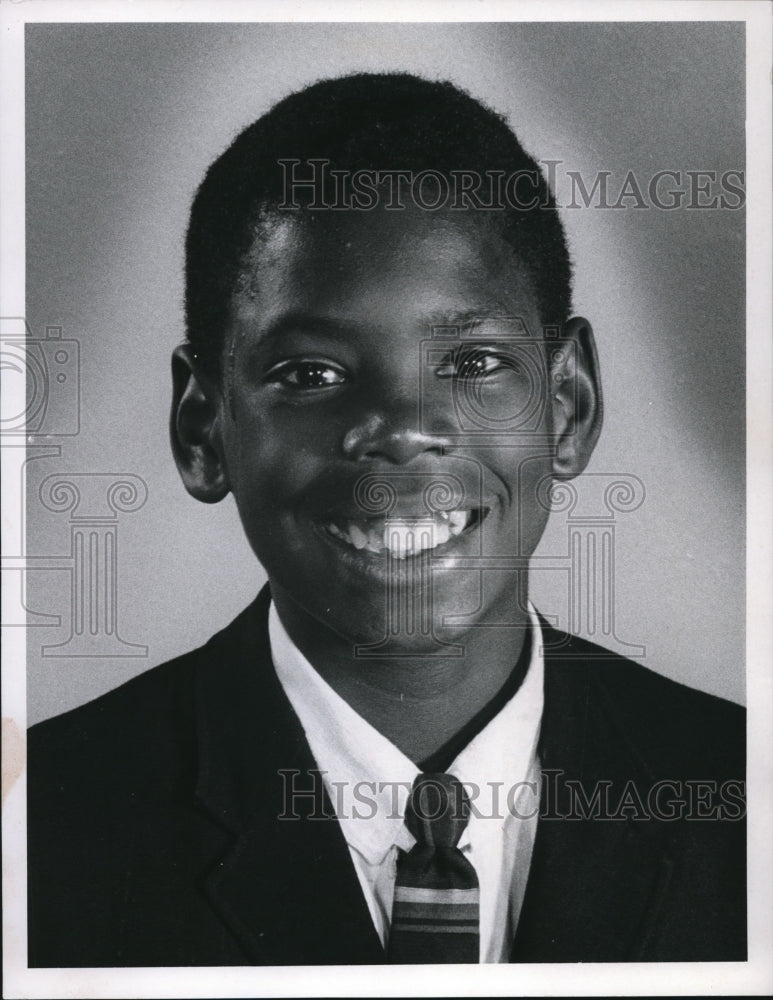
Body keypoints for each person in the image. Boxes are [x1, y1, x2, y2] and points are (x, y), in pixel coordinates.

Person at [27, 72, 745, 967]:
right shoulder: (44, 830)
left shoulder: (737, 794)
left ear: (567, 404)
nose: (404, 431)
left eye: (473, 359)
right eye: (311, 374)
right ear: (201, 426)